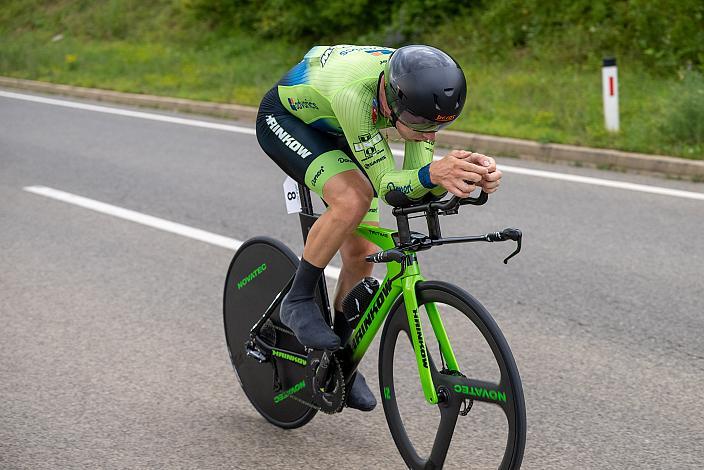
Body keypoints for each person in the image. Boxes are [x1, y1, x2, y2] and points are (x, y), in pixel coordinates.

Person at [255, 44, 502, 411]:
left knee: (360, 254)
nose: (427, 134)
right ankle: (299, 298)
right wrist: (435, 172)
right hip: (290, 122)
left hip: (348, 128)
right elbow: (389, 185)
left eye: (439, 126)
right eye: (420, 125)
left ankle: (337, 364)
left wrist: (463, 175)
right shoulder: (356, 94)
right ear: (391, 104)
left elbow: (414, 186)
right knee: (353, 198)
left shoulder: (416, 98)